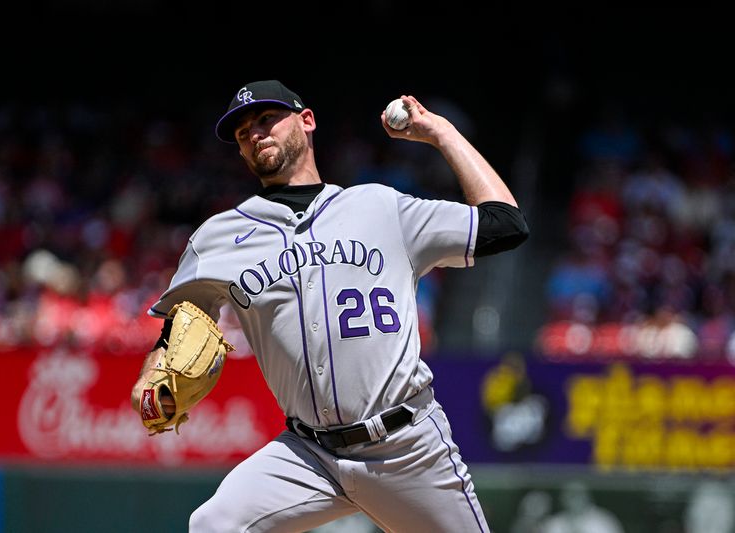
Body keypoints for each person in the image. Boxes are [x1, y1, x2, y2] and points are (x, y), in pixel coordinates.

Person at [130, 79, 529, 532]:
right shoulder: (216, 238)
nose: (255, 133)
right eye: (243, 132)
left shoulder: (380, 207)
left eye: (266, 119)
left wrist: (441, 133)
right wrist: (149, 384)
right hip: (309, 454)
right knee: (213, 524)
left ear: (307, 120)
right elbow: (173, 333)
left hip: (406, 446)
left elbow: (505, 224)